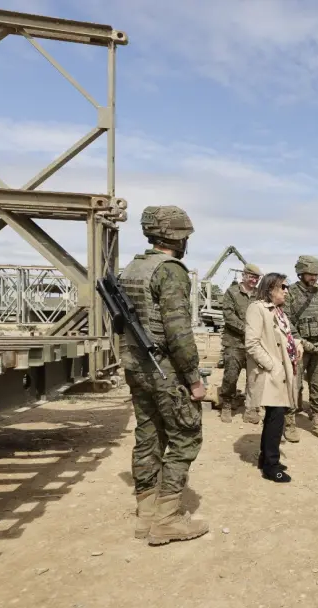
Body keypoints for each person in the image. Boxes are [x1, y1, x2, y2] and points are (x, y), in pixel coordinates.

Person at [119, 205, 208, 546]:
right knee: (186, 435)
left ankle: (146, 515)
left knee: (148, 436)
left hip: (137, 367)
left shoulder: (133, 268)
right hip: (165, 370)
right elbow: (178, 332)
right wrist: (194, 380)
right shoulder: (170, 271)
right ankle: (167, 519)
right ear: (177, 236)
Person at [245, 273, 302, 483]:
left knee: (274, 416)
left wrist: (297, 344)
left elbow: (286, 335)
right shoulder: (257, 308)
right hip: (271, 373)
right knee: (276, 417)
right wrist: (272, 366)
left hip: (282, 372)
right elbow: (251, 343)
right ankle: (271, 465)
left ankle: (265, 457)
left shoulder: (278, 311)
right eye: (283, 287)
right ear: (270, 289)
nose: (286, 291)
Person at [286, 256, 318, 441]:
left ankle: (317, 422)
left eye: (317, 274)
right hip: (298, 347)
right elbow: (286, 321)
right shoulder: (290, 293)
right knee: (294, 385)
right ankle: (289, 423)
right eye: (310, 274)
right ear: (301, 273)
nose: (314, 277)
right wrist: (300, 341)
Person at [219, 264, 262, 424]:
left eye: (257, 278)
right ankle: (227, 404)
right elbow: (228, 315)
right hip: (234, 343)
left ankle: (250, 409)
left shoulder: (260, 295)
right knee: (231, 376)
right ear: (244, 275)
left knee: (254, 378)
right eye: (251, 276)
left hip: (254, 345)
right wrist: (248, 330)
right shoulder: (232, 292)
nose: (254, 280)